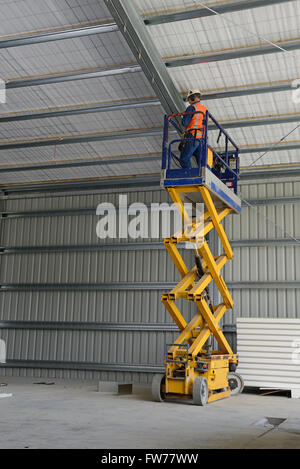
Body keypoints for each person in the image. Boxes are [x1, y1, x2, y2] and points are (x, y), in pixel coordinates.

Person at [179, 89, 207, 169]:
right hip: (202, 138)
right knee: (202, 162)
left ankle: (189, 174)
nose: (189, 102)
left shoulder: (191, 108)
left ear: (192, 98)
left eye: (189, 100)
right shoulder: (204, 109)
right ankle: (207, 175)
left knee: (184, 159)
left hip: (193, 136)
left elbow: (185, 123)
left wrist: (184, 116)